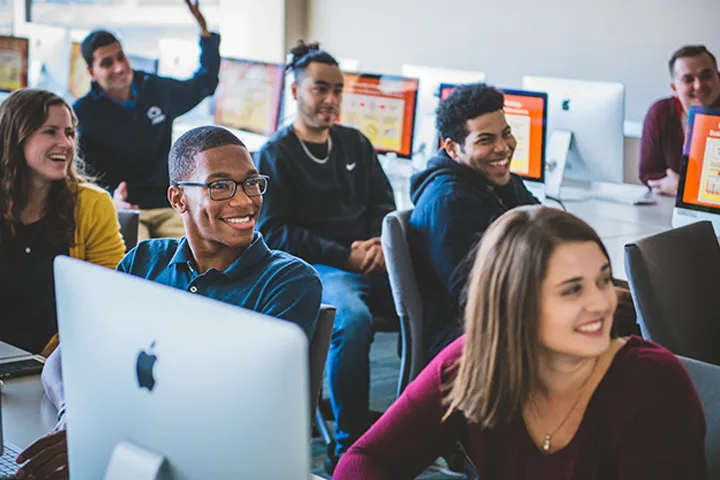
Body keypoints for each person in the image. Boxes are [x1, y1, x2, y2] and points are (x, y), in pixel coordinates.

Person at [13, 125, 323, 479]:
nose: (244, 201)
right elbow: (64, 358)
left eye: (251, 182)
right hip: (136, 456)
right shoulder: (144, 262)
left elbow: (237, 408)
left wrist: (106, 432)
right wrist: (74, 419)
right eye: (220, 185)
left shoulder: (288, 281)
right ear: (178, 199)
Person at [335, 206, 707, 479]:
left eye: (603, 280)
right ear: (514, 305)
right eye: (571, 290)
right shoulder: (473, 363)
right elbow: (366, 458)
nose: (601, 303)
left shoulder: (651, 384)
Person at [255, 41, 397, 465]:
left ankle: (428, 427)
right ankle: (352, 447)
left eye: (337, 89)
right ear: (296, 91)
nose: (331, 99)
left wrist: (376, 243)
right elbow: (275, 233)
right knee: (350, 320)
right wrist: (344, 255)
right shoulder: (274, 154)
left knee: (444, 295)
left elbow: (383, 205)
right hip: (317, 269)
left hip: (368, 261)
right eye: (321, 89)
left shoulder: (355, 143)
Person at [408, 83, 539, 358]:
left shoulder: (500, 183)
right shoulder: (448, 203)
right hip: (467, 337)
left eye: (506, 134)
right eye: (486, 140)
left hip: (506, 316)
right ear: (453, 149)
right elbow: (476, 294)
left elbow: (544, 234)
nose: (503, 148)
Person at [74, 0, 221, 240]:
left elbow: (204, 83)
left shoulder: (154, 89)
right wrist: (111, 197)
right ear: (92, 72)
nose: (120, 68)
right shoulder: (83, 115)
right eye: (107, 63)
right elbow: (79, 177)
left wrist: (205, 33)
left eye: (121, 57)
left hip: (168, 203)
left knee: (203, 248)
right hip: (124, 208)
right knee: (143, 264)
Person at [0, 89, 126, 357]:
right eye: (50, 132)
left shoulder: (92, 205)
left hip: (55, 362)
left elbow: (107, 296)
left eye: (69, 133)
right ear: (15, 136)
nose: (66, 144)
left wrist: (54, 357)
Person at [640, 45, 720, 195]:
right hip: (672, 208)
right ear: (674, 88)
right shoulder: (660, 113)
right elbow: (648, 173)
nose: (698, 85)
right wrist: (668, 184)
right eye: (688, 79)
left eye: (707, 76)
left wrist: (685, 187)